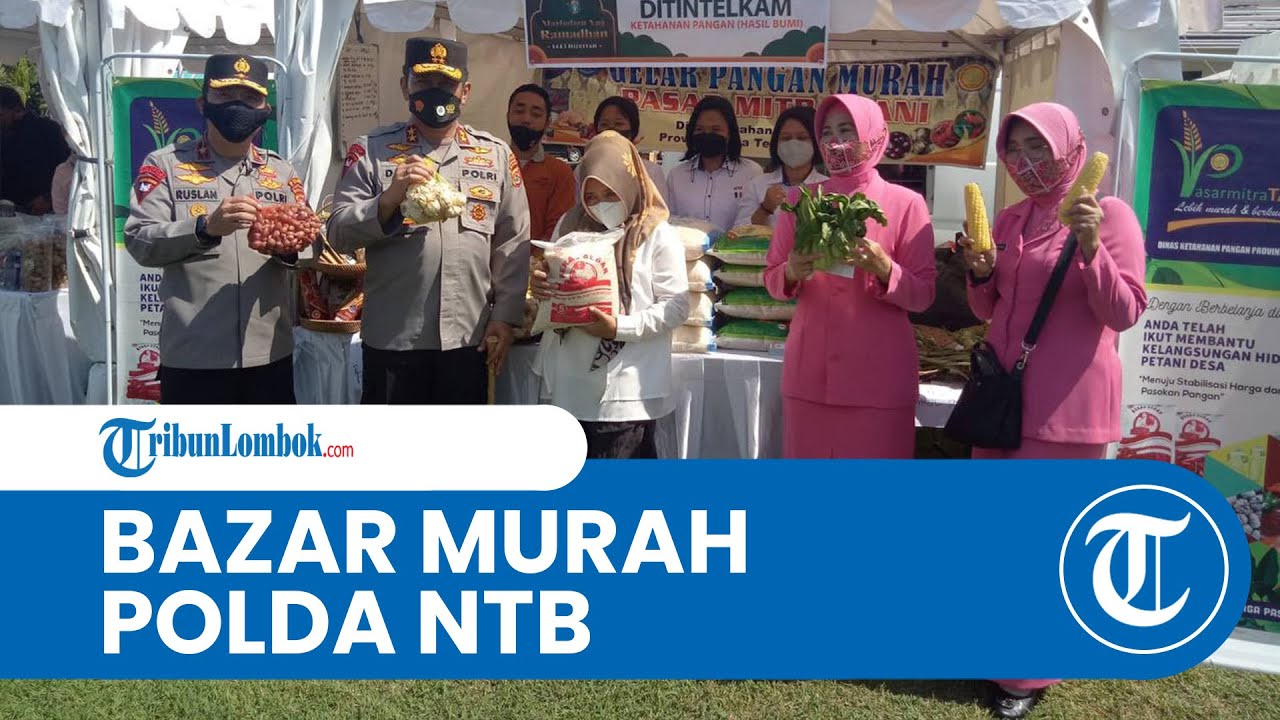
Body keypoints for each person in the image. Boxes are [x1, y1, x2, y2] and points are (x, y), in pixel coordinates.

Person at [957, 102, 1147, 719]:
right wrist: (979, 273)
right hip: (1001, 401)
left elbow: (1124, 311)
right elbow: (988, 309)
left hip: (1066, 406)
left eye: (1037, 147)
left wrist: (1091, 245)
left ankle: (1025, 674)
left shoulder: (1109, 214)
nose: (1025, 161)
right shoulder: (1010, 217)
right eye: (1014, 150)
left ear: (1069, 146)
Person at [329, 38, 530, 404]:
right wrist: (388, 200)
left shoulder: (495, 155)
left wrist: (505, 316)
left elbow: (512, 243)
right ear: (404, 85)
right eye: (423, 82)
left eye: (446, 83)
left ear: (465, 91)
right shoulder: (372, 150)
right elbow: (338, 232)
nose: (435, 91)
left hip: (468, 337)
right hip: (394, 339)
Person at [763, 94, 937, 459]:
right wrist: (790, 271)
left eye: (847, 130)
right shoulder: (799, 201)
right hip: (809, 375)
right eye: (826, 133)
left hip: (879, 379)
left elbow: (923, 295)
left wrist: (885, 269)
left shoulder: (906, 204)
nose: (835, 142)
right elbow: (772, 279)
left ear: (875, 135)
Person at [123, 55, 304, 404]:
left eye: (250, 98)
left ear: (265, 109)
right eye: (225, 95)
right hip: (194, 354)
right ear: (203, 102)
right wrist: (204, 229)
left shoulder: (282, 172)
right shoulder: (166, 165)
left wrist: (290, 248)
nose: (238, 105)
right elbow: (139, 239)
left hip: (268, 351)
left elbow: (311, 243)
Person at [530, 131, 689, 458]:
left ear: (629, 182)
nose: (600, 204)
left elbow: (675, 307)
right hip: (568, 387)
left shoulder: (656, 234)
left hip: (625, 392)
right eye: (591, 196)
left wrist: (618, 327)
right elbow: (555, 282)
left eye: (610, 193)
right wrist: (543, 285)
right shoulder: (570, 225)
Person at [664, 95, 761, 232]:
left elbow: (755, 223)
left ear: (729, 133)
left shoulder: (751, 173)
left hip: (737, 245)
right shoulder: (677, 175)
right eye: (700, 129)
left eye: (716, 129)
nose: (707, 134)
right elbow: (669, 223)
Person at [735, 105, 826, 228]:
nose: (793, 144)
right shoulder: (757, 185)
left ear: (816, 142)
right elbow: (738, 232)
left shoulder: (828, 188)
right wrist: (765, 209)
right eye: (786, 138)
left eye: (802, 138)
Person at [508, 83, 575, 244]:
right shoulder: (491, 164)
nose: (526, 119)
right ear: (507, 115)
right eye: (519, 111)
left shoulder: (559, 172)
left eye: (536, 114)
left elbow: (558, 229)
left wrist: (534, 257)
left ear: (547, 122)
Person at [0, 86, 70, 215]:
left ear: (17, 111)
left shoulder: (48, 130)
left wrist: (47, 197)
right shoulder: (4, 134)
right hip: (10, 210)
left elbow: (67, 168)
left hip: (46, 210)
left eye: (1, 115)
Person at [593, 95, 666, 196]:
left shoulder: (650, 172)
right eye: (604, 124)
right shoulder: (584, 169)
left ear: (632, 131)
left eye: (619, 124)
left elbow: (658, 206)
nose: (611, 130)